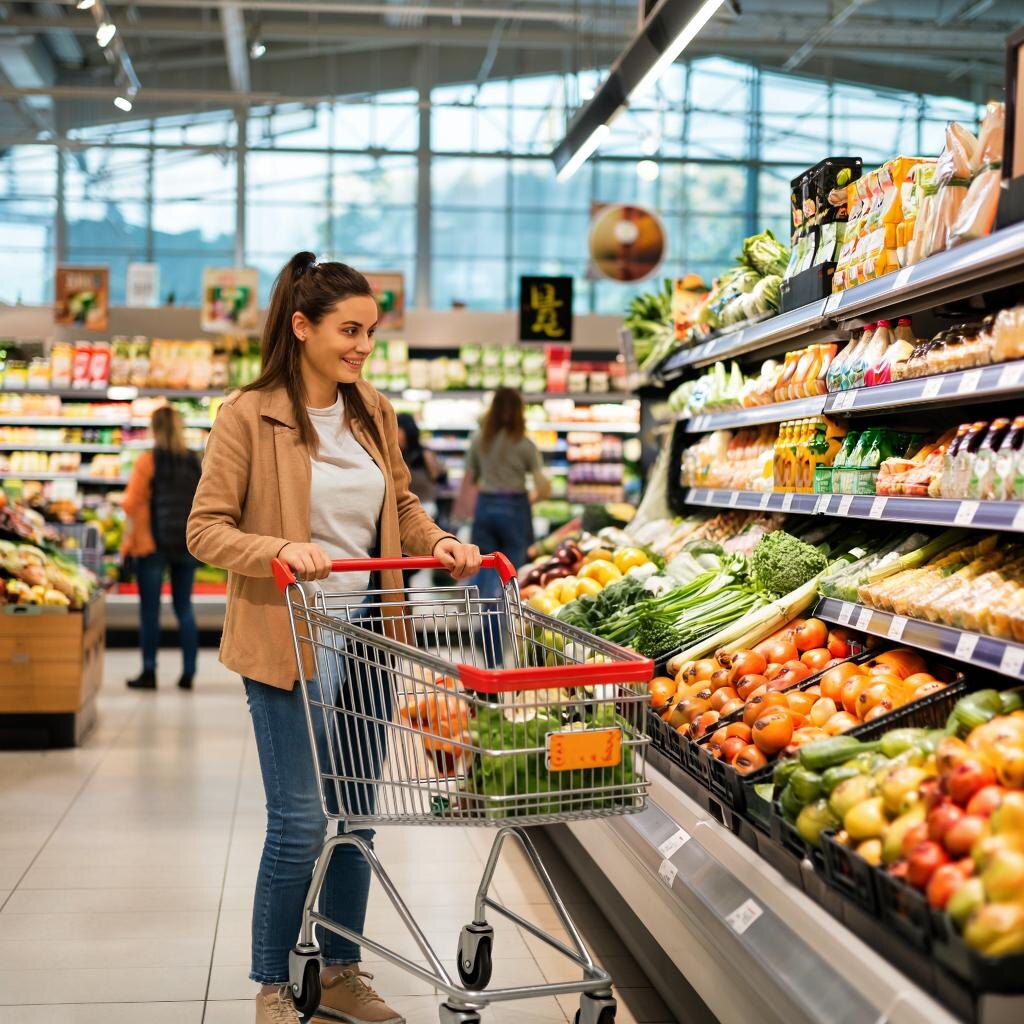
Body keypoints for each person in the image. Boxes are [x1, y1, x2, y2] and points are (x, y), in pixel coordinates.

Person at [186, 251, 481, 1024]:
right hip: (291, 635)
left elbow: (402, 507)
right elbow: (205, 529)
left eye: (371, 333)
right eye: (349, 331)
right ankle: (273, 984)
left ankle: (343, 969)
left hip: (371, 633)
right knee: (299, 818)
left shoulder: (372, 412)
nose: (362, 347)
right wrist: (277, 548)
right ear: (302, 327)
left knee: (357, 811)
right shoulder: (247, 415)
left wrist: (438, 540)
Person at [465, 387, 551, 665]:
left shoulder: (480, 441)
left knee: (487, 575)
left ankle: (490, 651)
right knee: (513, 579)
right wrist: (527, 499)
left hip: (486, 506)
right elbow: (543, 487)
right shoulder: (525, 444)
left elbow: (470, 481)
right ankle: (518, 649)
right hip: (515, 507)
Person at [121, 405, 201, 691]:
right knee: (184, 608)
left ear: (154, 429)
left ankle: (149, 671)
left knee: (150, 611)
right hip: (187, 543)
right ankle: (189, 672)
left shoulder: (148, 461)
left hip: (151, 544)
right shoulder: (194, 461)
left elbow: (131, 503)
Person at [395, 411, 447, 519]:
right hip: (400, 511)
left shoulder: (424, 454)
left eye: (398, 430)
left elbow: (437, 477)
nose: (394, 434)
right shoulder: (394, 455)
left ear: (408, 431)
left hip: (425, 510)